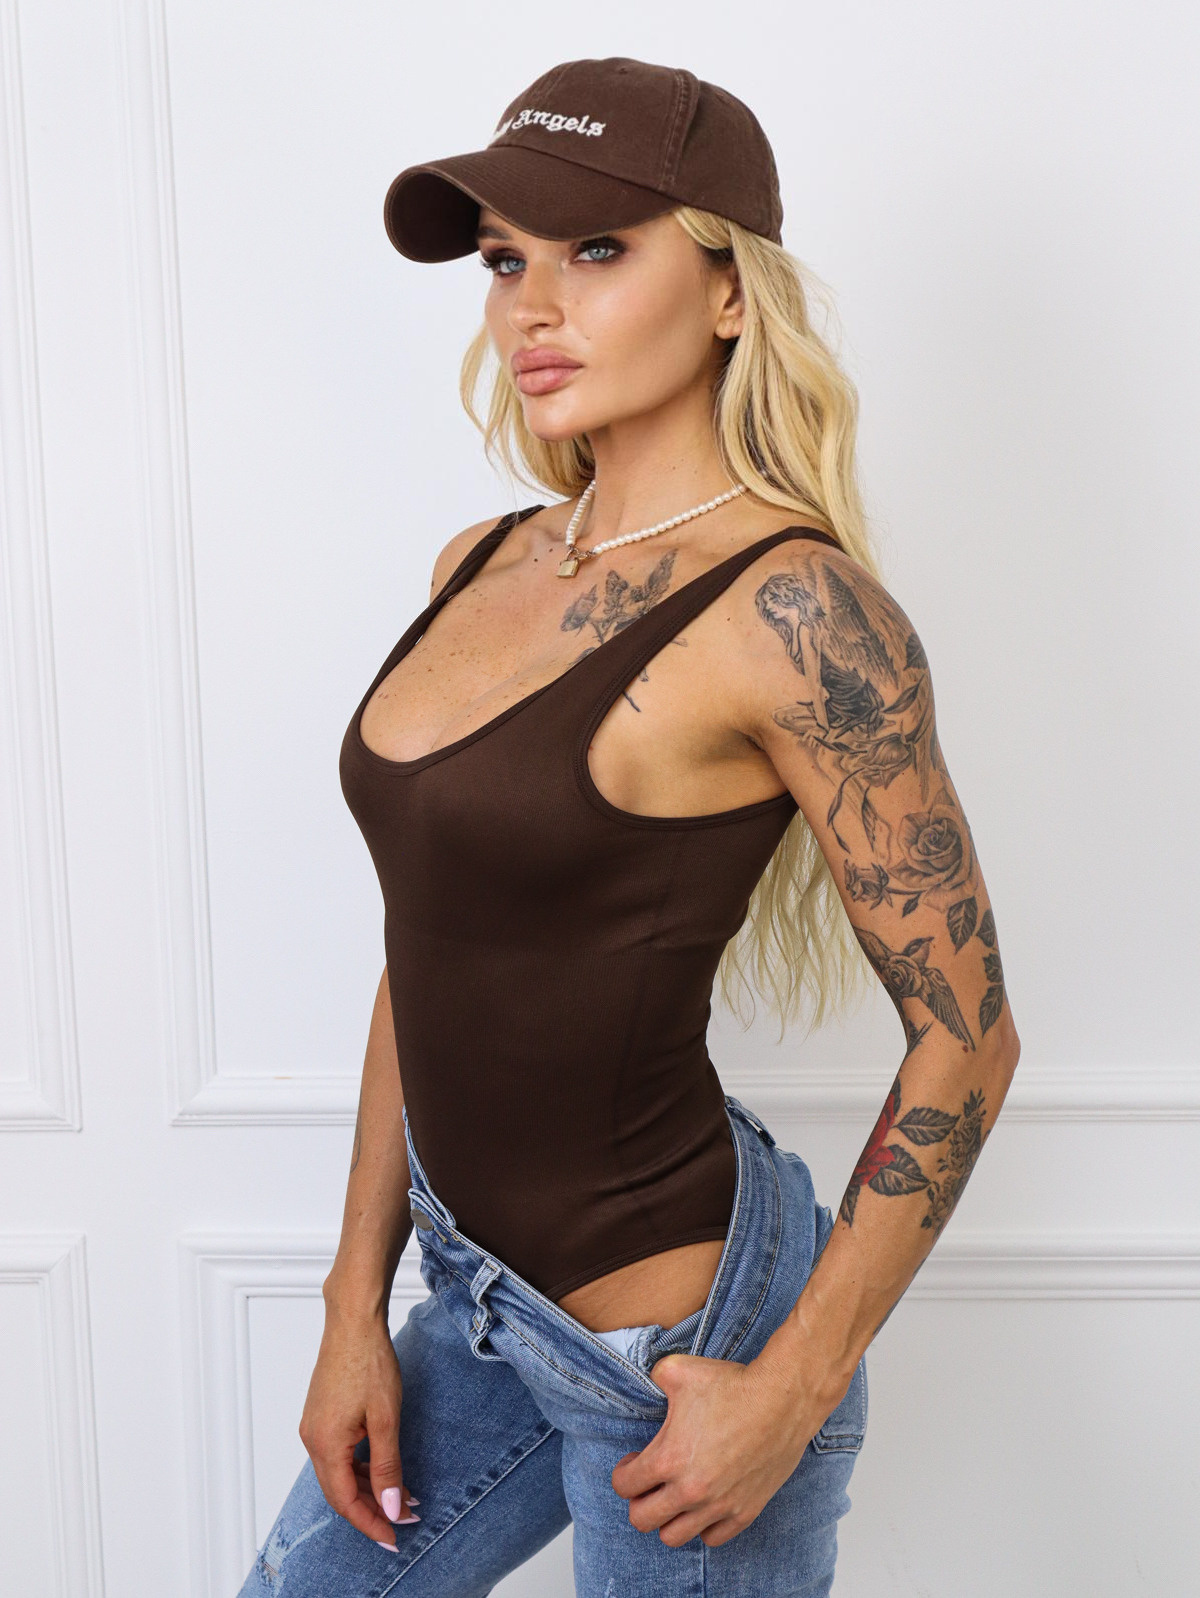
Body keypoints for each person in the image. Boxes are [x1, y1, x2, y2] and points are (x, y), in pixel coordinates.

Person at [238, 55, 1020, 1598]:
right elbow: (432, 940)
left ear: (730, 290)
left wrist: (789, 1390)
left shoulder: (801, 615)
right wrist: (351, 1302)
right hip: (473, 1298)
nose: (533, 307)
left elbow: (968, 1036)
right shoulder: (481, 562)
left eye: (597, 250)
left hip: (679, 1354)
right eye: (503, 261)